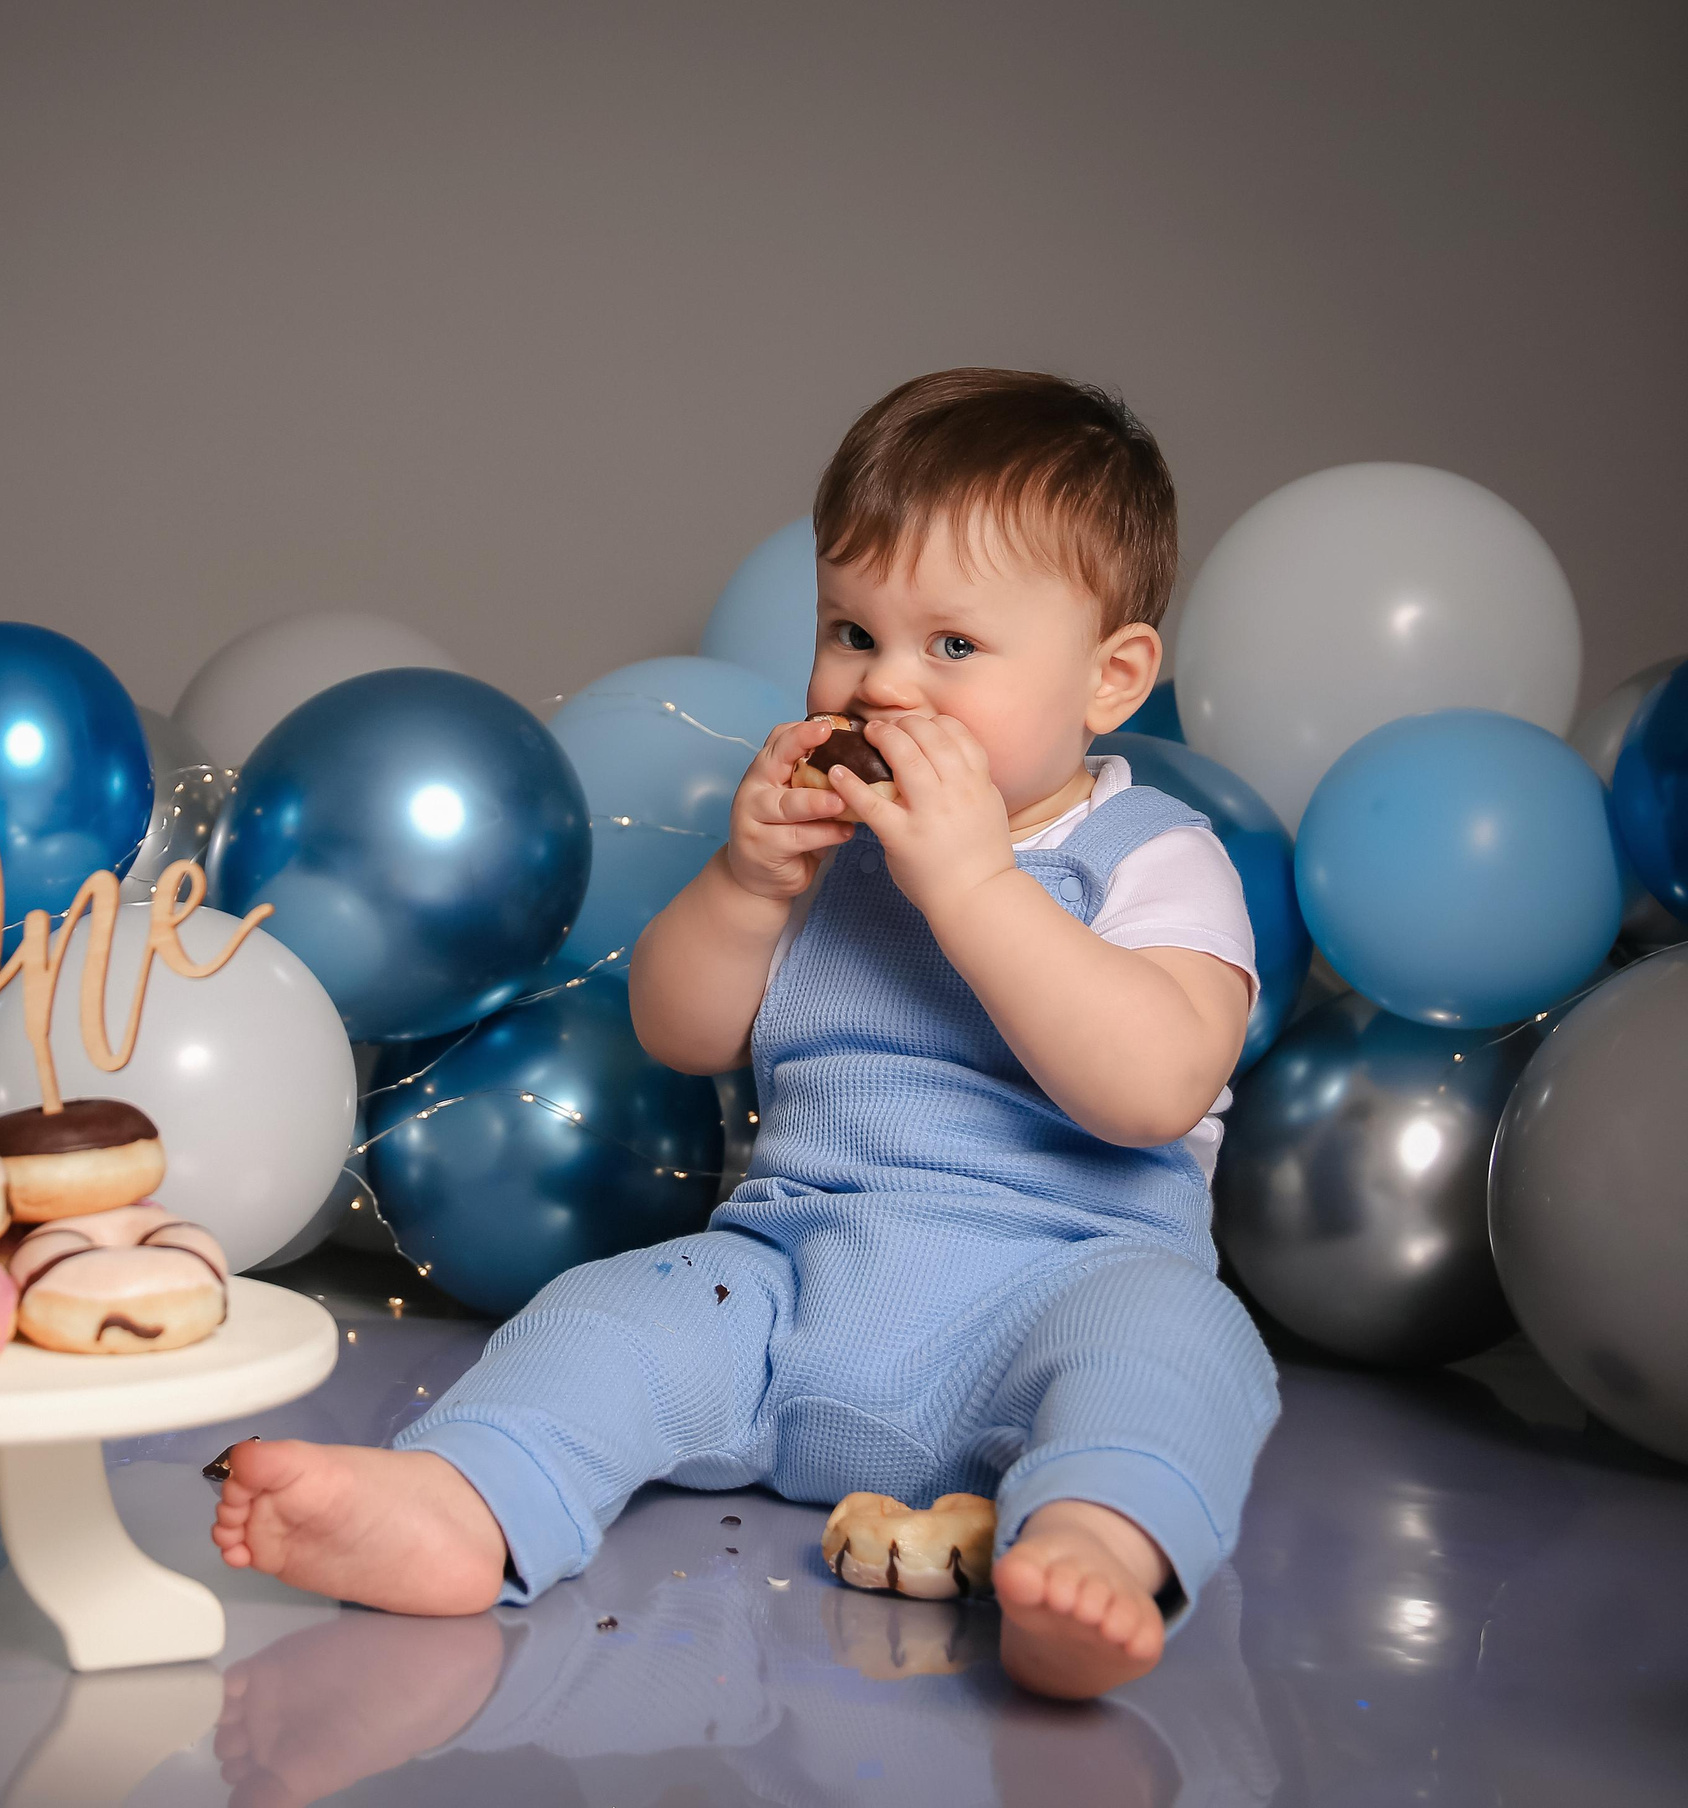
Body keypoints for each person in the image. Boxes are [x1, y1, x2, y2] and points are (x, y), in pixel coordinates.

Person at [212, 368, 1280, 1699]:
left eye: (952, 648)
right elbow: (679, 1032)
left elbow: (1155, 1086)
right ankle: (469, 1504)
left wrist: (975, 884)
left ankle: (1091, 1547)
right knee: (610, 1314)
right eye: (850, 631)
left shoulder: (1153, 857)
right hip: (795, 1284)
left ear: (1109, 679)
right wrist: (744, 886)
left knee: (1180, 1349)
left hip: (1058, 1296)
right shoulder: (825, 848)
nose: (886, 685)